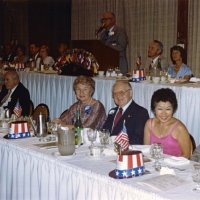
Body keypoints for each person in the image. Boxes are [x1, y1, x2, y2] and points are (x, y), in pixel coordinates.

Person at [144, 88, 191, 158]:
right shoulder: (149, 124)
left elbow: (187, 155)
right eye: (160, 109)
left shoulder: (179, 128)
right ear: (154, 109)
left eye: (168, 109)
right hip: (155, 164)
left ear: (173, 109)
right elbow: (146, 150)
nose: (164, 114)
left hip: (175, 166)